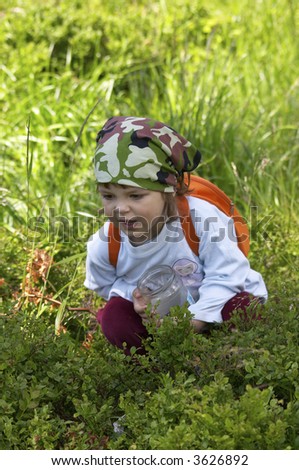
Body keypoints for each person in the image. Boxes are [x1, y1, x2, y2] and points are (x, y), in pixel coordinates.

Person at [84, 116, 268, 355]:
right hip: (156, 321)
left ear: (168, 190)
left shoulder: (200, 219)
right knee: (114, 316)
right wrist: (135, 300)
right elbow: (104, 284)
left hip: (213, 304)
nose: (120, 208)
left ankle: (233, 355)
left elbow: (227, 274)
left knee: (242, 307)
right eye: (109, 196)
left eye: (135, 195)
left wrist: (197, 320)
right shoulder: (106, 242)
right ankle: (155, 365)